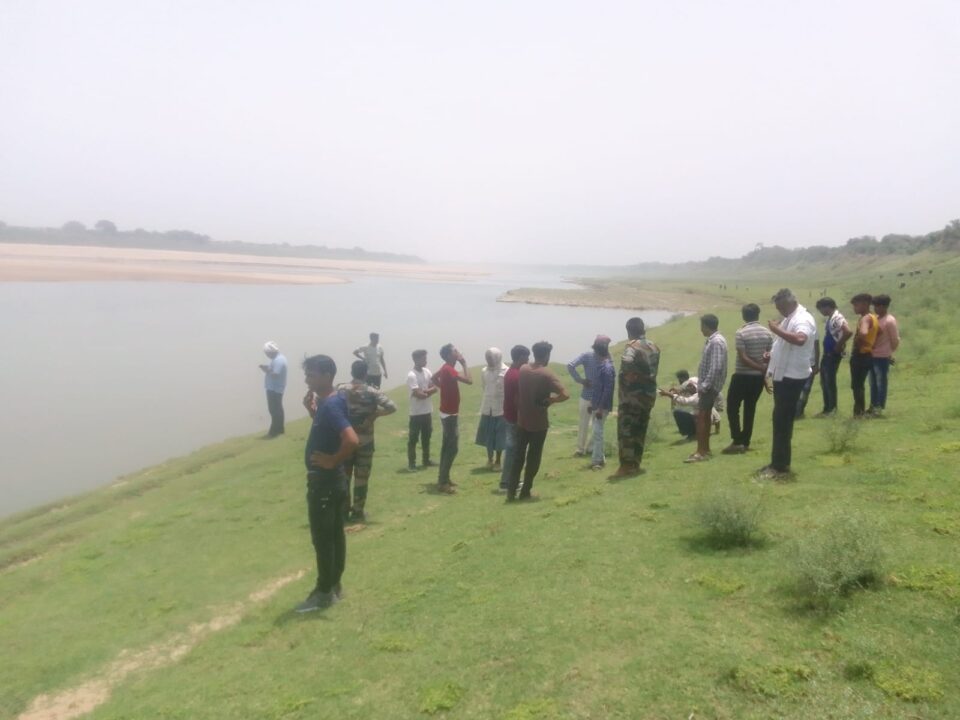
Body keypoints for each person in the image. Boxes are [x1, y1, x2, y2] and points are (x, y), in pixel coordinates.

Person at [295, 355, 359, 613]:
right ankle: (334, 586)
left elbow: (351, 439)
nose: (306, 379)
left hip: (325, 484)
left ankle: (323, 592)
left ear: (326, 375)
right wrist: (313, 411)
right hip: (333, 483)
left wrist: (332, 461)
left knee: (323, 540)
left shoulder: (331, 405)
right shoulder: (332, 400)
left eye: (311, 375)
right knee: (334, 536)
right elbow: (329, 431)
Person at [758, 289, 817, 480]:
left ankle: (780, 466)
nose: (779, 311)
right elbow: (784, 344)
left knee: (782, 421)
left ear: (788, 303)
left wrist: (776, 330)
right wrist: (772, 355)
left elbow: (800, 339)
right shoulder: (790, 318)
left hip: (791, 377)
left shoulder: (803, 318)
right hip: (784, 375)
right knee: (780, 419)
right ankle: (778, 462)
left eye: (780, 307)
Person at [507, 341, 569, 500]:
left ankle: (511, 491)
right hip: (539, 423)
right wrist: (552, 400)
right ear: (547, 355)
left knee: (518, 456)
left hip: (522, 421)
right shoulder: (547, 374)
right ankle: (525, 491)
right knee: (533, 458)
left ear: (534, 354)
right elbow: (565, 394)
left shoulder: (523, 369)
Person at [338, 360, 397, 522]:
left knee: (344, 476)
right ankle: (358, 511)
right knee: (361, 477)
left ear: (352, 372)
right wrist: (375, 415)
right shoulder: (372, 391)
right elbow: (392, 407)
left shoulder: (341, 390)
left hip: (346, 440)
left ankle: (343, 511)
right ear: (366, 374)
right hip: (365, 441)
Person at [613, 317, 660, 478]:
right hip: (648, 396)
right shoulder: (654, 347)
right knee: (640, 430)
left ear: (629, 332)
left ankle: (626, 466)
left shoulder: (632, 347)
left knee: (626, 431)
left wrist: (631, 376)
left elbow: (626, 363)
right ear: (643, 330)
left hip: (631, 397)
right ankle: (636, 464)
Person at [723, 304, 773, 453]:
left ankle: (737, 440)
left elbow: (743, 358)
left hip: (741, 376)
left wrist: (760, 369)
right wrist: (764, 375)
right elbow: (768, 358)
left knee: (732, 408)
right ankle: (745, 442)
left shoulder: (741, 333)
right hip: (757, 379)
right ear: (758, 314)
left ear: (744, 316)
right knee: (750, 409)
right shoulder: (768, 333)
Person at [685, 314, 727, 463]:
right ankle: (705, 450)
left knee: (702, 417)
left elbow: (715, 367)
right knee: (705, 416)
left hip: (709, 387)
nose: (700, 329)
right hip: (708, 386)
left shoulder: (716, 342)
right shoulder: (713, 340)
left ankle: (701, 452)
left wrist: (704, 386)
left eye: (701, 326)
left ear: (706, 326)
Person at [432, 343, 472, 493]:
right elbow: (469, 381)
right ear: (449, 355)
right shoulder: (448, 369)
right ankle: (443, 483)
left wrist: (444, 388)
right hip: (449, 414)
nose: (458, 352)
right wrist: (464, 363)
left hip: (447, 412)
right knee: (452, 448)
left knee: (446, 447)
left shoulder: (445, 368)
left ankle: (443, 478)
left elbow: (433, 378)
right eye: (455, 351)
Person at [566, 337, 606, 456]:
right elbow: (570, 365)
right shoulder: (590, 356)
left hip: (595, 396)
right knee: (592, 423)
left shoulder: (598, 356)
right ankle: (583, 449)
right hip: (591, 396)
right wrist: (581, 380)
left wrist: (580, 380)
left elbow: (570, 365)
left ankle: (586, 448)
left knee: (592, 424)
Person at [498, 345, 529, 493]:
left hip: (509, 415)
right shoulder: (516, 375)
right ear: (521, 357)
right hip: (515, 417)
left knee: (513, 450)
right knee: (513, 451)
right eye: (526, 357)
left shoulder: (510, 372)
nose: (528, 360)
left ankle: (512, 480)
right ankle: (506, 483)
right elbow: (518, 400)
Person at [814, 297, 852, 417]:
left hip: (832, 354)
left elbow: (848, 332)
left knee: (829, 382)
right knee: (824, 381)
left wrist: (838, 345)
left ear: (827, 307)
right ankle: (827, 408)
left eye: (821, 309)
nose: (821, 312)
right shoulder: (832, 318)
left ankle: (832, 409)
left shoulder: (837, 318)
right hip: (828, 354)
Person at [660, 371, 721, 440]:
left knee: (678, 413)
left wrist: (668, 394)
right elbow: (717, 418)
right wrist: (717, 430)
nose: (688, 389)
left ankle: (693, 434)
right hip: (707, 423)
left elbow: (684, 401)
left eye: (689, 388)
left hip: (702, 423)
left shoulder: (696, 397)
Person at [475, 347, 508, 471]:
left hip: (500, 408)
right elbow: (485, 387)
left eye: (491, 358)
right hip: (487, 407)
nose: (489, 360)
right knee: (488, 434)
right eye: (487, 358)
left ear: (497, 357)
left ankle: (498, 461)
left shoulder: (506, 371)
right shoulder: (484, 371)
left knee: (500, 435)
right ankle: (490, 459)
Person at [406, 349, 437, 471]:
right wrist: (427, 391)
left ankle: (426, 460)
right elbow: (419, 395)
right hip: (416, 413)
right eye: (423, 358)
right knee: (413, 439)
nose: (425, 360)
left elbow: (435, 388)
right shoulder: (411, 375)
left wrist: (424, 391)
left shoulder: (427, 372)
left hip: (427, 411)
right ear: (416, 359)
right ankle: (412, 463)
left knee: (426, 437)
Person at [869, 294, 900, 415]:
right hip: (872, 356)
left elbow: (895, 340)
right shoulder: (876, 319)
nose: (875, 308)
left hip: (882, 357)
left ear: (884, 306)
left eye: (877, 306)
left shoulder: (889, 321)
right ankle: (873, 406)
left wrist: (889, 352)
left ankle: (879, 408)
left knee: (881, 383)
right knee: (873, 383)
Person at [588, 337, 615, 470]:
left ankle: (597, 460)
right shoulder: (602, 366)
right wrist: (591, 403)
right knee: (596, 432)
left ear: (598, 353)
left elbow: (607, 389)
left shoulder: (607, 368)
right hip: (597, 404)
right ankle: (600, 458)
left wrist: (599, 408)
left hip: (601, 406)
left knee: (598, 433)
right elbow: (597, 387)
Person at [849, 293, 879, 417]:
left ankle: (859, 412)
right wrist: (870, 344)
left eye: (856, 305)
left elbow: (863, 332)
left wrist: (858, 341)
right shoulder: (874, 317)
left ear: (865, 304)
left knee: (857, 385)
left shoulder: (865, 318)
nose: (854, 308)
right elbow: (879, 332)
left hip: (860, 355)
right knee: (859, 385)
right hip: (868, 355)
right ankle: (860, 411)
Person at [259, 341, 287, 438]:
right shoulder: (277, 358)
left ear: (271, 352)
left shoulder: (278, 360)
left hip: (275, 388)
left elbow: (275, 374)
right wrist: (267, 368)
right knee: (277, 409)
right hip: (274, 387)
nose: (266, 355)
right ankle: (280, 429)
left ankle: (274, 432)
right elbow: (274, 370)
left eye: (267, 353)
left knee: (274, 410)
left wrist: (266, 370)